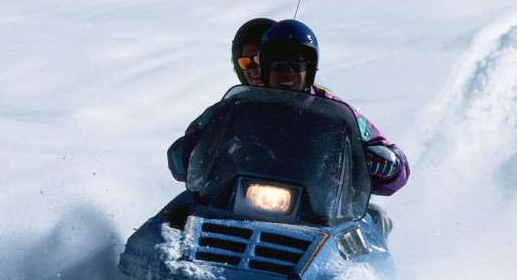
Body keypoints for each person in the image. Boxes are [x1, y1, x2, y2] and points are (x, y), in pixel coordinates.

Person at [167, 19, 408, 234]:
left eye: (297, 65)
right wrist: (192, 155)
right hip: (233, 204)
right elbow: (186, 151)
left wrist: (388, 165)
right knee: (177, 211)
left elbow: (389, 157)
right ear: (266, 67)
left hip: (320, 214)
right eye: (279, 65)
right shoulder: (235, 109)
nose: (288, 73)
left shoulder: (335, 114)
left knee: (369, 226)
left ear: (310, 68)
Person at [168, 18, 275, 181]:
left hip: (301, 195)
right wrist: (207, 153)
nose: (253, 70)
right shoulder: (231, 108)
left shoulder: (313, 103)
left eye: (259, 60)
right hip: (235, 189)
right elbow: (186, 152)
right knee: (182, 205)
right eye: (245, 62)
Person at [232, 18, 276, 87]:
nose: (252, 69)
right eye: (245, 63)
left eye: (258, 60)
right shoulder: (238, 97)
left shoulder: (296, 96)